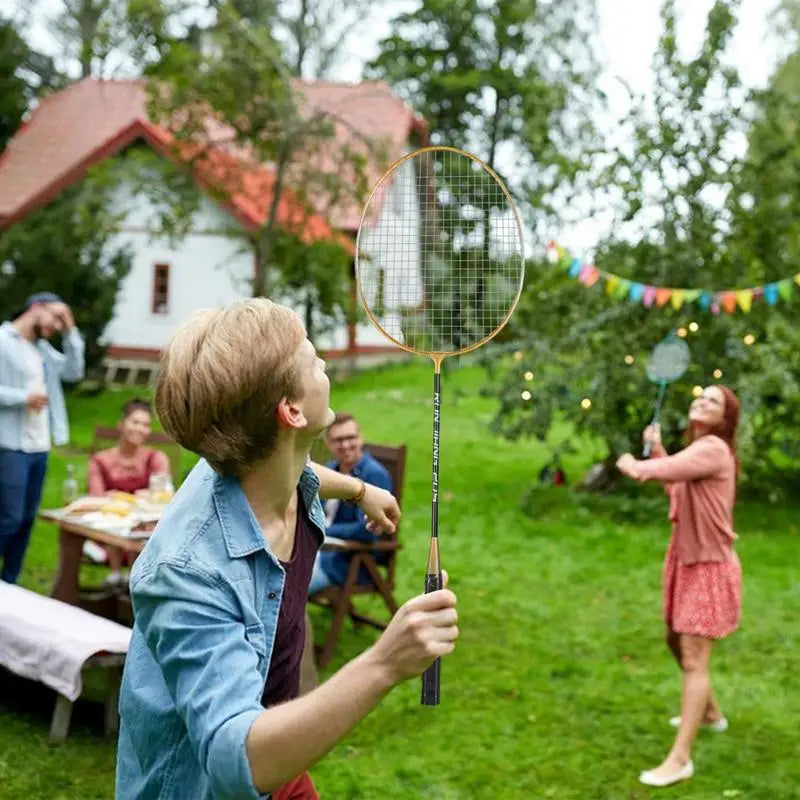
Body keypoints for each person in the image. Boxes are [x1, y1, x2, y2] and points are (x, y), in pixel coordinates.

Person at [116, 298, 459, 800]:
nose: (322, 363)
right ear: (291, 411)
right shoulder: (186, 574)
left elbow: (302, 472)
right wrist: (384, 662)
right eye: (310, 355)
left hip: (279, 752)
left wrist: (363, 491)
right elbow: (235, 758)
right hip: (221, 776)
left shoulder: (255, 468)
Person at [616, 385, 742, 788]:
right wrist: (657, 450)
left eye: (713, 401)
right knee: (676, 640)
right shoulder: (699, 453)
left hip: (707, 567)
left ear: (725, 419)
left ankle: (680, 759)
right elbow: (675, 481)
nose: (702, 402)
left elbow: (657, 474)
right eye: (700, 397)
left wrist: (635, 463)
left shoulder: (714, 449)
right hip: (685, 560)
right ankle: (709, 713)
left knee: (693, 657)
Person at [0, 292, 84, 584]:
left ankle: (9, 584)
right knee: (8, 519)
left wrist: (71, 328)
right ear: (35, 308)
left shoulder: (43, 350)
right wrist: (23, 398)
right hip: (9, 445)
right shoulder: (3, 340)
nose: (57, 326)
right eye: (55, 318)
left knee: (25, 521)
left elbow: (74, 371)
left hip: (39, 446)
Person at [87, 397, 172, 585]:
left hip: (145, 536)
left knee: (144, 525)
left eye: (146, 424)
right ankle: (118, 577)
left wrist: (121, 499)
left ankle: (134, 579)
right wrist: (139, 497)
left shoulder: (156, 458)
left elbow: (162, 495)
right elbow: (97, 498)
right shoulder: (101, 461)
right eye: (135, 422)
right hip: (108, 536)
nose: (140, 428)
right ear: (121, 424)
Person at [308, 412, 392, 595]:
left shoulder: (374, 476)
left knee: (288, 591)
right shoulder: (331, 470)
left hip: (349, 563)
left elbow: (366, 531)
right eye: (338, 440)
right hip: (319, 552)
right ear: (328, 443)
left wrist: (321, 529)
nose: (345, 445)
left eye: (350, 438)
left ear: (360, 438)